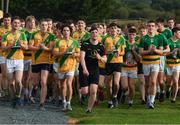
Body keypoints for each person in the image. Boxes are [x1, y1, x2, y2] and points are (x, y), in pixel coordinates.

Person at [1, 16, 28, 108]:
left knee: (18, 81)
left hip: (19, 60)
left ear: (20, 24)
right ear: (11, 23)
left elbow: (26, 47)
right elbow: (3, 48)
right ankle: (13, 99)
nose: (16, 24)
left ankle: (18, 97)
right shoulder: (6, 35)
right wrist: (11, 45)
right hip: (9, 60)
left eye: (18, 23)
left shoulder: (22, 34)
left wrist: (21, 45)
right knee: (11, 83)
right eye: (15, 23)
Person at [29, 19, 55, 110]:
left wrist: (45, 48)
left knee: (44, 82)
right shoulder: (34, 34)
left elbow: (51, 49)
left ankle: (42, 103)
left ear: (48, 26)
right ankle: (34, 91)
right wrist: (38, 48)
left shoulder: (51, 36)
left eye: (45, 25)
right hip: (36, 60)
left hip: (46, 61)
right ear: (39, 26)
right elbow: (30, 46)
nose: (44, 26)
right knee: (35, 82)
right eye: (42, 25)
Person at [80, 27, 106, 113]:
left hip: (95, 70)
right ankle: (83, 96)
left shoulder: (101, 46)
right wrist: (84, 69)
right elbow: (82, 58)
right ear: (90, 34)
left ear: (98, 34)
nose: (95, 34)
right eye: (93, 32)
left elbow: (105, 59)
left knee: (94, 91)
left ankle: (89, 109)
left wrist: (100, 58)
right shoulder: (85, 44)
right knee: (85, 91)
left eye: (96, 32)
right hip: (85, 68)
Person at [53, 24, 80, 111]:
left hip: (71, 65)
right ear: (62, 32)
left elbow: (78, 53)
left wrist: (74, 54)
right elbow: (55, 53)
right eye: (64, 30)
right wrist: (64, 53)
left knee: (69, 84)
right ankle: (63, 101)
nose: (66, 32)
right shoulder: (58, 41)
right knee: (62, 86)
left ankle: (69, 103)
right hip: (61, 66)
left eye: (68, 30)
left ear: (70, 32)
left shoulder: (74, 42)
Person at [139, 20, 164, 109]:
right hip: (146, 63)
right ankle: (148, 98)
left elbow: (161, 51)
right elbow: (141, 52)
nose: (151, 27)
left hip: (155, 62)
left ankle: (151, 101)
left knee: (153, 82)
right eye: (149, 26)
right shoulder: (143, 38)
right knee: (147, 83)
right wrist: (149, 51)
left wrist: (155, 50)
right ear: (147, 27)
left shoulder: (159, 37)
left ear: (155, 27)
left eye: (153, 26)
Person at [103, 22, 126, 108]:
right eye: (111, 28)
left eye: (115, 28)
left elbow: (123, 52)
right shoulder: (105, 38)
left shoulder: (121, 38)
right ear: (109, 29)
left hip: (118, 62)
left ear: (117, 30)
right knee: (108, 85)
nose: (113, 30)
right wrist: (108, 52)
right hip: (108, 63)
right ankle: (109, 101)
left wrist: (119, 54)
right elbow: (103, 51)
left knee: (116, 83)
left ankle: (115, 96)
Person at [121, 28, 141, 108]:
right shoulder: (124, 43)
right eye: (130, 34)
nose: (131, 36)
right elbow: (120, 55)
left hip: (133, 68)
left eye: (133, 34)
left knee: (132, 87)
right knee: (125, 86)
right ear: (127, 35)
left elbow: (139, 59)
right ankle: (125, 93)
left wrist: (133, 51)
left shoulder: (137, 45)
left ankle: (130, 102)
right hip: (124, 67)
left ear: (135, 35)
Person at [166, 27, 180, 103]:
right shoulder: (168, 41)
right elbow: (164, 54)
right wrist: (172, 52)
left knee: (175, 81)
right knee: (168, 83)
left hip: (177, 64)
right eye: (179, 32)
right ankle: (168, 89)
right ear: (174, 33)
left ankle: (173, 98)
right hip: (168, 64)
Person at [0, 13, 12, 98]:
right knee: (4, 73)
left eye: (8, 20)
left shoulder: (14, 29)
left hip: (12, 55)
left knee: (10, 74)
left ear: (11, 21)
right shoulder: (0, 30)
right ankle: (5, 91)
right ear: (3, 21)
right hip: (2, 54)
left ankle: (10, 89)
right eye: (5, 20)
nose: (7, 22)